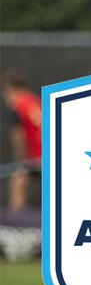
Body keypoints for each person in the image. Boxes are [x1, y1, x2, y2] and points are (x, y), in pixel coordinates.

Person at [3, 73, 42, 211]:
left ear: (12, 89)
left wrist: (21, 160)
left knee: (17, 182)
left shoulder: (19, 107)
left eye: (6, 92)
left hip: (38, 157)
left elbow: (18, 136)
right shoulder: (36, 101)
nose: (6, 97)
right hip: (46, 155)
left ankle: (16, 221)